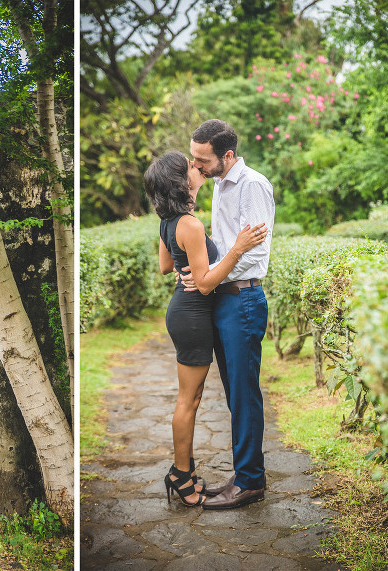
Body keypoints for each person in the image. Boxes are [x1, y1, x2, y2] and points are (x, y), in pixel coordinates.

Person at [144, 150, 268, 507]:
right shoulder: (190, 224)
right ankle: (181, 476)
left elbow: (166, 266)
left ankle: (183, 472)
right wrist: (238, 249)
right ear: (182, 182)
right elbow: (203, 283)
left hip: (183, 312)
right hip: (194, 315)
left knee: (191, 398)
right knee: (189, 399)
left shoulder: (171, 220)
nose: (197, 168)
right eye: (191, 167)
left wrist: (194, 259)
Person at [181, 119, 275, 510]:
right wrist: (201, 270)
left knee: (243, 393)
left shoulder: (252, 185)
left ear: (228, 155)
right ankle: (244, 471)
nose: (197, 166)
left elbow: (253, 252)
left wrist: (209, 274)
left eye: (203, 160)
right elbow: (222, 244)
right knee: (234, 395)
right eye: (194, 158)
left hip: (242, 299)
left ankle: (251, 482)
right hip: (222, 296)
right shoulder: (219, 183)